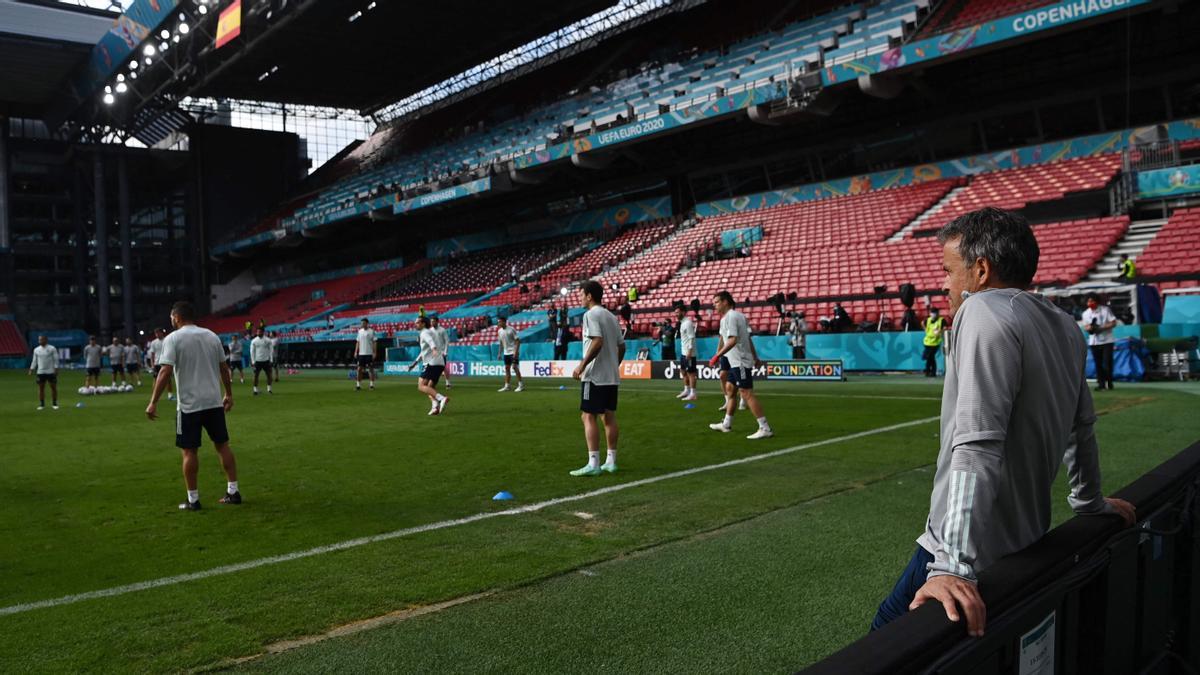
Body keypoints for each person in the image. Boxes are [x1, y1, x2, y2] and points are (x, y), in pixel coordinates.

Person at [872, 207, 1136, 635]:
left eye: (948, 270)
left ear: (980, 270)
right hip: (1027, 540)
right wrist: (1090, 502)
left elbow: (977, 442)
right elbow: (1081, 427)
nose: (944, 283)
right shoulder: (1065, 326)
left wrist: (953, 564)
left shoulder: (982, 312)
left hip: (966, 549)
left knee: (886, 633)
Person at [146, 301, 240, 511]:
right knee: (222, 445)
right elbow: (224, 369)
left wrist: (153, 402)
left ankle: (193, 499)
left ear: (177, 317)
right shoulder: (211, 335)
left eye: (171, 317)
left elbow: (164, 372)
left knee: (189, 452)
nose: (170, 320)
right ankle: (233, 492)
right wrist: (229, 394)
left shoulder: (173, 339)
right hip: (213, 402)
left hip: (189, 405)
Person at [570, 280, 625, 476]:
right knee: (609, 416)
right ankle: (611, 461)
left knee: (587, 415)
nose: (579, 298)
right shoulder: (611, 316)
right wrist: (613, 366)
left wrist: (582, 365)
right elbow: (622, 346)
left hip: (594, 376)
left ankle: (593, 463)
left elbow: (597, 341)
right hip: (611, 376)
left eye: (580, 294)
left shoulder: (590, 315)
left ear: (589, 296)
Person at [707, 291, 772, 439]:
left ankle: (765, 427)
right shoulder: (735, 317)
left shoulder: (731, 317)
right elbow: (746, 339)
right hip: (734, 361)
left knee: (746, 393)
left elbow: (733, 340)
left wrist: (717, 355)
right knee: (730, 389)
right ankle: (726, 424)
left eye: (716, 302)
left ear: (725, 302)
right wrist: (755, 357)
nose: (714, 305)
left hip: (740, 361)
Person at [408, 316, 448, 415]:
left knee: (421, 386)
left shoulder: (425, 332)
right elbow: (424, 351)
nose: (415, 324)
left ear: (423, 324)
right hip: (440, 362)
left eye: (417, 322)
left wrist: (434, 348)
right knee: (430, 387)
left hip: (432, 362)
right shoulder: (432, 332)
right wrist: (415, 363)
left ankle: (441, 398)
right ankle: (435, 407)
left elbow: (430, 342)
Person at [1081, 293, 1118, 391]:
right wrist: (1090, 328)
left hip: (1107, 340)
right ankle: (1101, 383)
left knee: (1107, 363)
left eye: (1092, 301)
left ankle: (1109, 382)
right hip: (1094, 341)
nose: (1090, 303)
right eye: (1088, 301)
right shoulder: (1086, 313)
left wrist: (1101, 327)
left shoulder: (1105, 310)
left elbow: (1113, 322)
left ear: (1097, 301)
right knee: (1098, 363)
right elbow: (1086, 326)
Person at [29, 334, 59, 410]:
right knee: (41, 388)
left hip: (50, 371)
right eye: (39, 339)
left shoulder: (52, 348)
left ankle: (54, 403)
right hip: (40, 372)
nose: (40, 341)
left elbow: (56, 359)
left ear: (46, 340)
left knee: (53, 387)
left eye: (41, 339)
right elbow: (34, 360)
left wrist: (56, 368)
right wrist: (31, 369)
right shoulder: (36, 349)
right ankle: (42, 404)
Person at [675, 305, 698, 401]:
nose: (676, 314)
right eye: (675, 312)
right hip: (684, 352)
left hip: (689, 353)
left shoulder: (687, 323)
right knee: (683, 371)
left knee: (691, 373)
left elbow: (692, 337)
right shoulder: (682, 323)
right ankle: (686, 390)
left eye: (678, 312)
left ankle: (693, 393)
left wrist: (689, 351)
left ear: (683, 312)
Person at [496, 316, 524, 393]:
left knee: (515, 367)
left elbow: (518, 341)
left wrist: (516, 352)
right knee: (507, 369)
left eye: (500, 322)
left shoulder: (511, 330)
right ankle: (507, 386)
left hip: (513, 352)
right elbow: (501, 343)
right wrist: (499, 353)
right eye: (498, 322)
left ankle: (521, 385)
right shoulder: (499, 331)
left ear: (504, 322)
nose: (498, 323)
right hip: (506, 353)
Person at [148, 327, 175, 401]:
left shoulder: (167, 340)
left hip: (165, 362)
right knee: (155, 379)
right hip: (157, 363)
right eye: (156, 333)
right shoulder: (153, 342)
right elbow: (152, 354)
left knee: (168, 379)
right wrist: (152, 364)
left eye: (158, 333)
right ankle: (154, 396)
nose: (157, 334)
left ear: (161, 333)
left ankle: (170, 395)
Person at [921, 307, 946, 377]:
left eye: (934, 312)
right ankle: (931, 372)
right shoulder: (928, 320)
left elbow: (945, 327)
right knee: (930, 357)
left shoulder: (941, 320)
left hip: (935, 342)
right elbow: (922, 323)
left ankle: (928, 371)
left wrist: (940, 331)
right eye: (932, 312)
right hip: (927, 342)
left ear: (938, 313)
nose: (933, 314)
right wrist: (925, 329)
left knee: (930, 356)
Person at [354, 318, 377, 391]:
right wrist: (355, 351)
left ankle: (371, 385)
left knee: (370, 369)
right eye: (361, 323)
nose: (362, 324)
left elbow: (375, 342)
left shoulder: (371, 331)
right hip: (361, 354)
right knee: (359, 369)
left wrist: (374, 352)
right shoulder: (360, 331)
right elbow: (358, 342)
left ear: (367, 323)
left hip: (369, 353)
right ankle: (358, 385)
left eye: (363, 323)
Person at [430, 315, 452, 389]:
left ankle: (448, 382)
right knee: (432, 367)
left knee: (444, 368)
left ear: (437, 321)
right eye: (431, 321)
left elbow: (447, 341)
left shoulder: (442, 330)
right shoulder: (430, 331)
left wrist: (445, 351)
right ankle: (433, 382)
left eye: (433, 321)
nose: (432, 323)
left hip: (442, 352)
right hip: (434, 352)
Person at [250, 327, 273, 395]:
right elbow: (252, 351)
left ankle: (269, 389)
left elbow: (271, 351)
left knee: (269, 375)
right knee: (255, 376)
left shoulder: (268, 340)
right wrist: (253, 361)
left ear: (263, 332)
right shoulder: (254, 341)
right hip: (257, 361)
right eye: (257, 332)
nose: (258, 333)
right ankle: (255, 390)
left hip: (266, 361)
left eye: (260, 332)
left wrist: (271, 359)